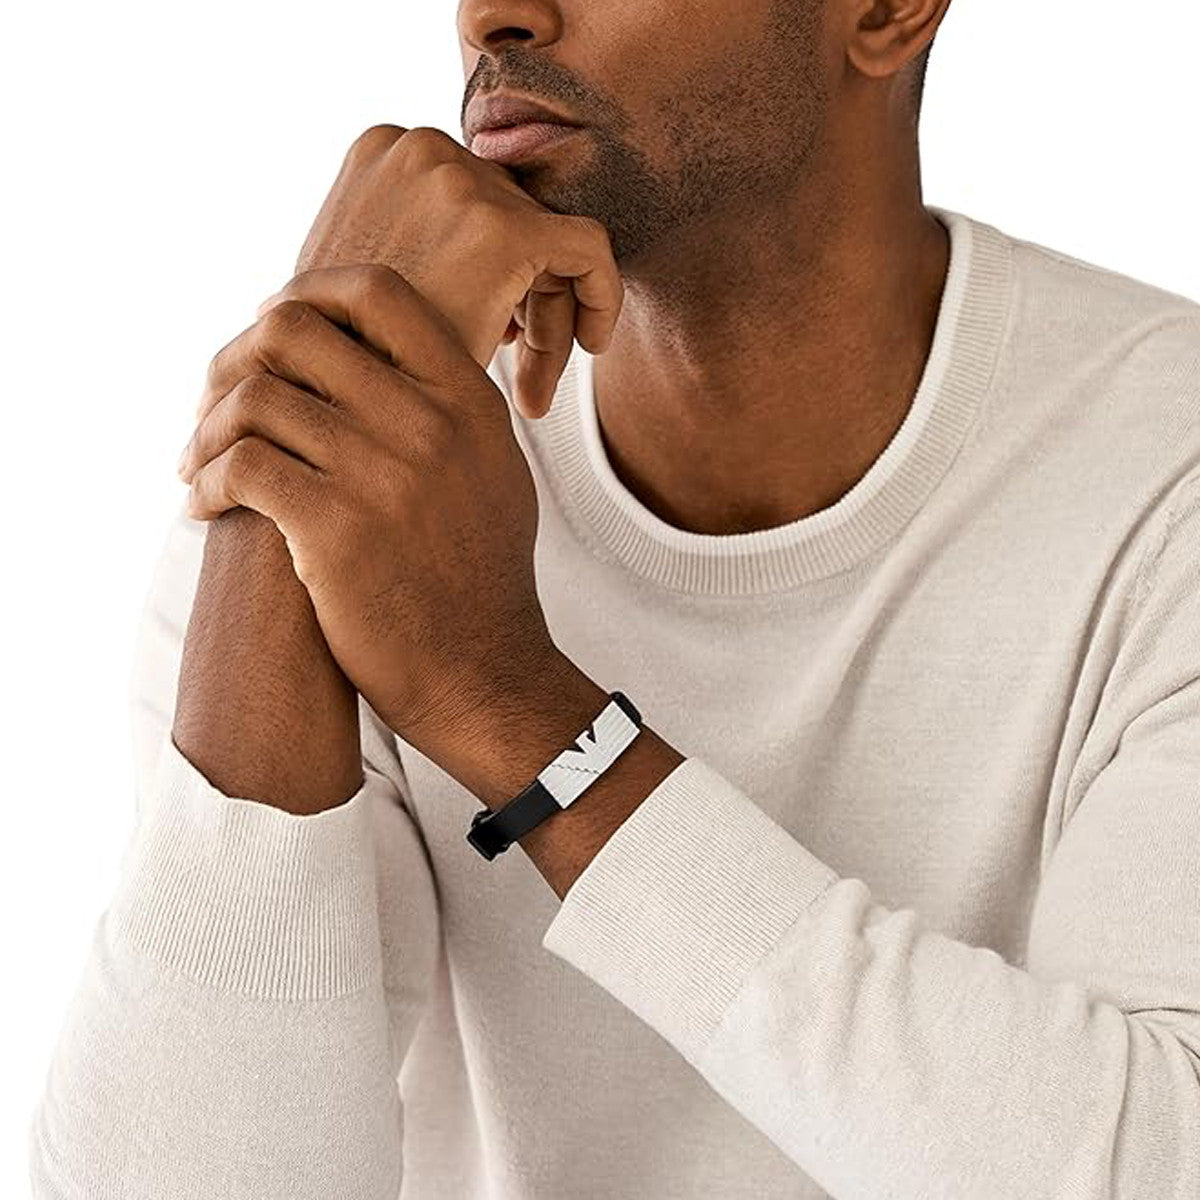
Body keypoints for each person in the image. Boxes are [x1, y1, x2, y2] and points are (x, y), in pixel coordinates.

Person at [29, 0, 1200, 1196]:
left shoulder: (1169, 478)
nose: (491, 15)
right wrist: (291, 438)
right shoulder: (377, 470)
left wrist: (508, 704)